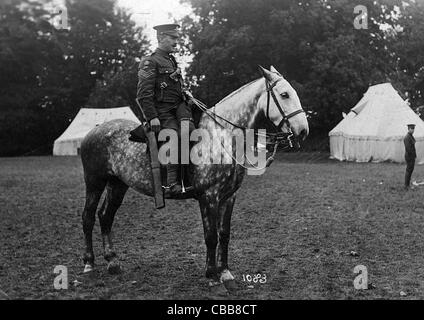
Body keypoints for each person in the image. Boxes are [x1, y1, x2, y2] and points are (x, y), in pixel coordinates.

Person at [136, 24, 195, 195]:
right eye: (173, 38)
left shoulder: (171, 60)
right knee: (173, 135)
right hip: (161, 110)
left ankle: (189, 178)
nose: (177, 42)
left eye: (177, 38)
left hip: (179, 107)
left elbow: (175, 87)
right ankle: (171, 184)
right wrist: (152, 117)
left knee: (191, 131)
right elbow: (143, 94)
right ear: (161, 38)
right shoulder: (149, 62)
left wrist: (187, 94)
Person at [404, 123, 417, 190]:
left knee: (410, 170)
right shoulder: (407, 137)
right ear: (408, 129)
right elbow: (408, 149)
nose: (413, 130)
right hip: (409, 156)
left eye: (413, 129)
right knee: (409, 170)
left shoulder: (411, 136)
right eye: (411, 129)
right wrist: (412, 156)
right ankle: (406, 185)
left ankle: (407, 184)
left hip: (412, 156)